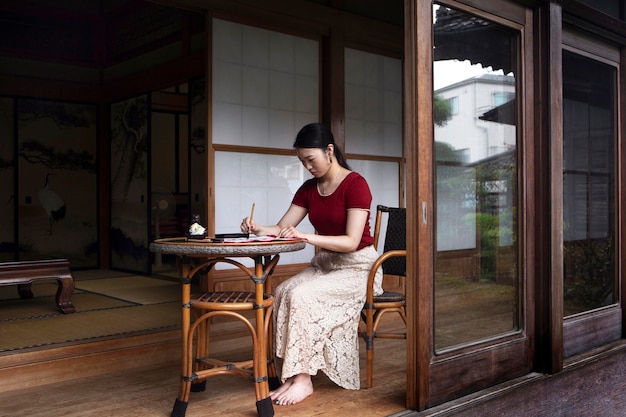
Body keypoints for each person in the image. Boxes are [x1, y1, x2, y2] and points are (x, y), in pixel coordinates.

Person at [240, 122, 383, 406]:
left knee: (302, 295)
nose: (307, 166)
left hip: (358, 268)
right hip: (325, 264)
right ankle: (291, 373)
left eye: (310, 159)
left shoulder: (355, 184)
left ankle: (303, 378)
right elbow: (282, 227)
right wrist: (257, 228)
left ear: (329, 151)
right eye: (302, 161)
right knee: (281, 292)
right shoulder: (309, 188)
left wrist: (305, 235)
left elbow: (352, 241)